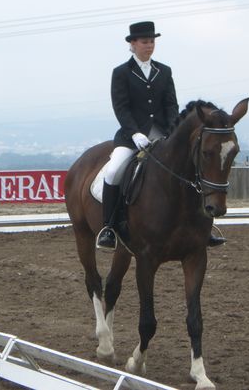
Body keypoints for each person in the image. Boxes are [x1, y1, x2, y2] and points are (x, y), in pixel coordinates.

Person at [96, 21, 226, 250]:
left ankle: (205, 226)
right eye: (145, 42)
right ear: (133, 44)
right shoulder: (121, 73)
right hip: (131, 136)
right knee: (114, 169)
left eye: (152, 41)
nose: (149, 46)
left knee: (191, 167)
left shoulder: (164, 71)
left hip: (163, 135)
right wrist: (134, 133)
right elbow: (121, 108)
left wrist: (171, 133)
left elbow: (171, 105)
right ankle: (109, 227)